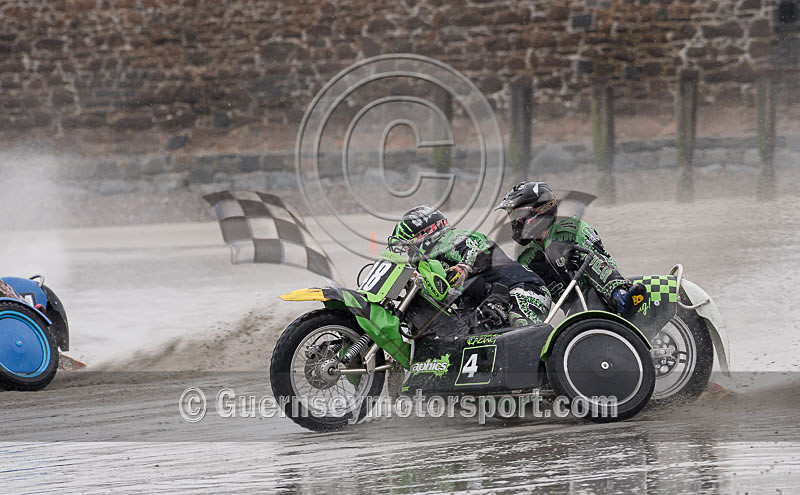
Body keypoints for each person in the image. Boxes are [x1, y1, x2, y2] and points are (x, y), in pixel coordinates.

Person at [495, 181, 645, 315]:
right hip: (573, 310)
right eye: (512, 216)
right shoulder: (524, 254)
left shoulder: (574, 230)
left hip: (600, 298)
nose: (515, 222)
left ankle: (620, 295)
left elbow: (607, 263)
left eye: (518, 215)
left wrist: (572, 258)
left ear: (540, 211)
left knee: (583, 254)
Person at [390, 205, 551, 327]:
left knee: (520, 329)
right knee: (461, 330)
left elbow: (476, 250)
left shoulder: (451, 239)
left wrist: (464, 267)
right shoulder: (428, 265)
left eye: (408, 244)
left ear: (424, 234)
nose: (406, 250)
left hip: (525, 289)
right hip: (485, 300)